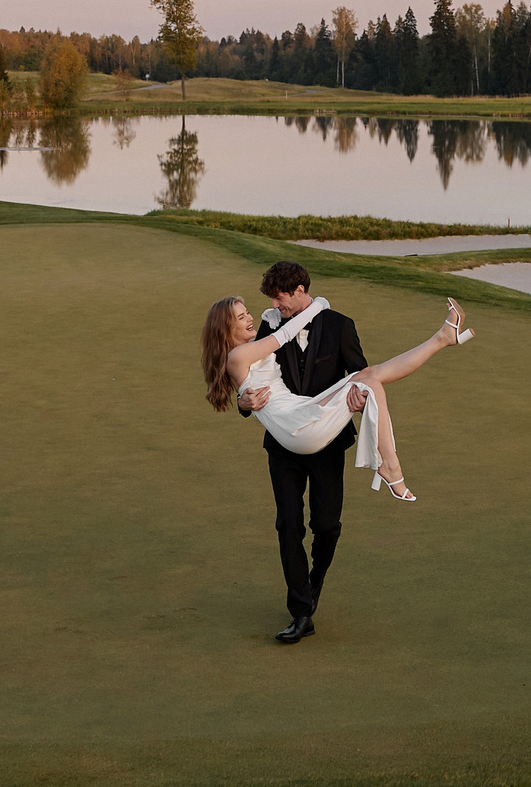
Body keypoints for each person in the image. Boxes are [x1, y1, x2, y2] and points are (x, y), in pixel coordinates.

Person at [200, 260, 470, 644]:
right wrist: (244, 402)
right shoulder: (271, 324)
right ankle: (301, 612)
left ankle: (313, 585)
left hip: (323, 432)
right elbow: (246, 379)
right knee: (287, 525)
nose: (273, 308)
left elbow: (356, 371)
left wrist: (357, 399)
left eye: (280, 299)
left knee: (326, 524)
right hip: (287, 439)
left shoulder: (340, 325)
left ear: (299, 291)